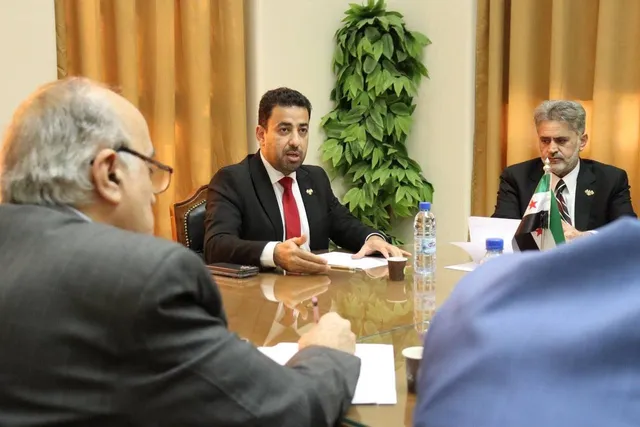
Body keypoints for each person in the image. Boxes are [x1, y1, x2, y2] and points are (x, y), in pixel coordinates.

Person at [0, 77, 361, 427]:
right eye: (150, 167)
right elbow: (286, 410)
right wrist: (327, 352)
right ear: (109, 174)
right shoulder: (146, 277)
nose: (154, 190)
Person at [414, 217, 640, 427]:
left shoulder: (471, 299)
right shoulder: (476, 302)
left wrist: (586, 237)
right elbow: (502, 225)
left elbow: (624, 224)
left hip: (593, 284)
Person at [204, 87, 409, 273]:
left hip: (316, 293)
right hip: (263, 296)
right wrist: (274, 253)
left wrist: (372, 238)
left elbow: (344, 224)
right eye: (284, 130)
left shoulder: (315, 178)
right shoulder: (233, 180)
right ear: (261, 135)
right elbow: (217, 245)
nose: (296, 141)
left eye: (302, 130)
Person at [492, 100, 636, 239]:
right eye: (545, 141)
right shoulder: (516, 177)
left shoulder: (610, 179)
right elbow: (501, 230)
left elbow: (629, 234)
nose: (552, 149)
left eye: (561, 141)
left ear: (582, 141)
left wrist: (584, 237)